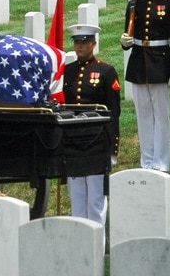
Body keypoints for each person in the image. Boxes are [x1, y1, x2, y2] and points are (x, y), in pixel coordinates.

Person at [120, 0, 170, 172]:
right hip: (139, 63)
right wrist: (124, 42)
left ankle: (161, 162)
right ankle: (146, 160)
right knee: (143, 114)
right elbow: (127, 36)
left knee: (161, 116)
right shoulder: (133, 4)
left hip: (160, 63)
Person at [63, 23, 120, 226]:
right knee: (77, 200)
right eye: (77, 42)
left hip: (96, 143)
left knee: (95, 201)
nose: (79, 46)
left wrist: (112, 148)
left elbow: (113, 112)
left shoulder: (105, 71)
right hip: (74, 141)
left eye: (84, 42)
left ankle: (97, 245)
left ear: (93, 44)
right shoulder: (68, 71)